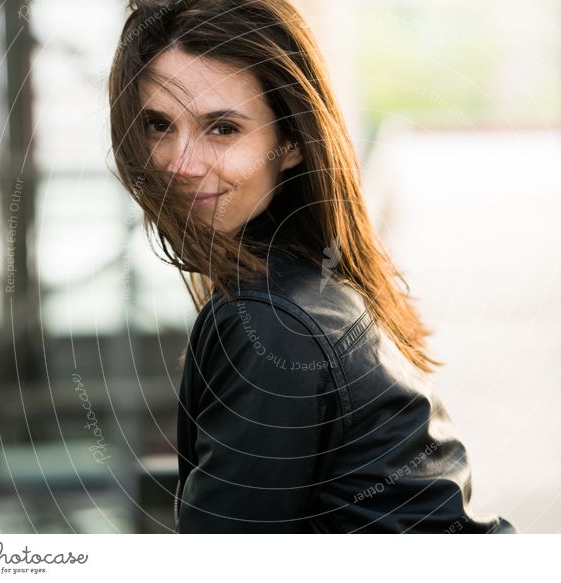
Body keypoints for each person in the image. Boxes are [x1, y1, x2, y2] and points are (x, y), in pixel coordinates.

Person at [108, 0, 516, 533]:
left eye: (223, 129)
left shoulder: (271, 325)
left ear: (293, 142)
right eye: (159, 124)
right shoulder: (314, 280)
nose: (180, 163)